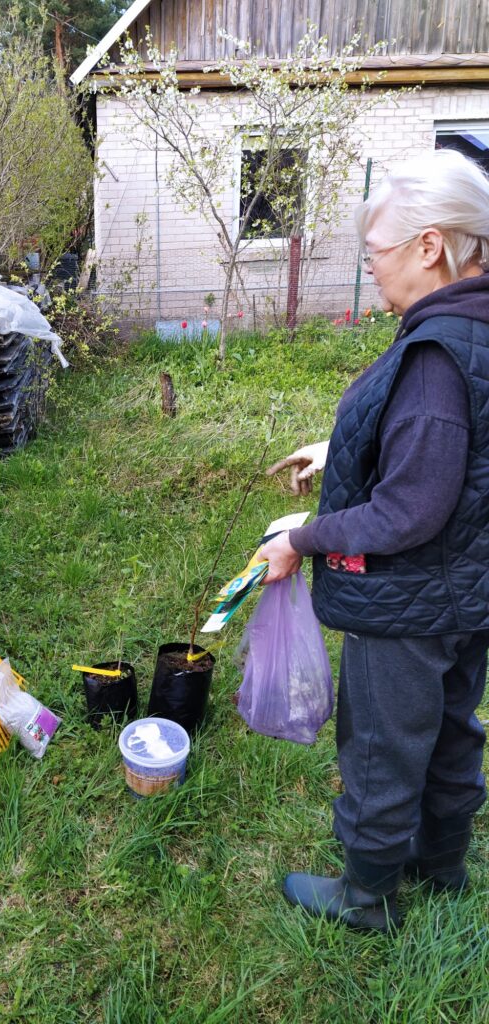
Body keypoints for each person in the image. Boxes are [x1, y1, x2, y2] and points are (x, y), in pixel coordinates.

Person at [262, 149, 489, 933]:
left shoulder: (434, 354)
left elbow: (407, 512)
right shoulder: (473, 332)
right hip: (466, 589)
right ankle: (444, 866)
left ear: (430, 246)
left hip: (410, 599)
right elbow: (456, 451)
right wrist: (340, 452)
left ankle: (366, 898)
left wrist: (304, 537)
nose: (373, 270)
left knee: (383, 747)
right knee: (454, 730)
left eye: (376, 253)